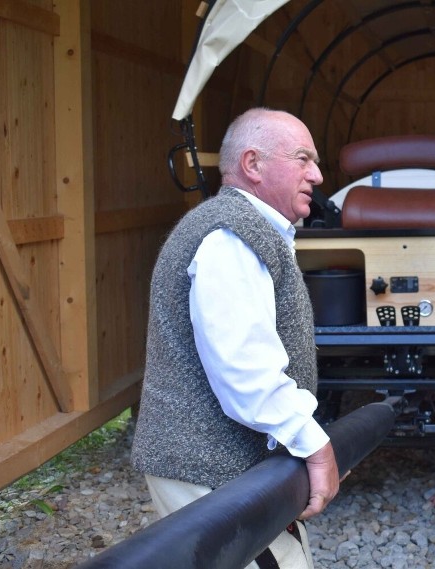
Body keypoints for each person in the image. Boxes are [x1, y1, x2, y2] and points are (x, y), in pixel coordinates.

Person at [132, 108, 338, 569]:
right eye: (303, 159)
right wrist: (315, 445)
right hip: (207, 468)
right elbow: (246, 370)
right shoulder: (229, 238)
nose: (318, 175)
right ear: (253, 164)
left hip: (223, 466)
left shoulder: (245, 230)